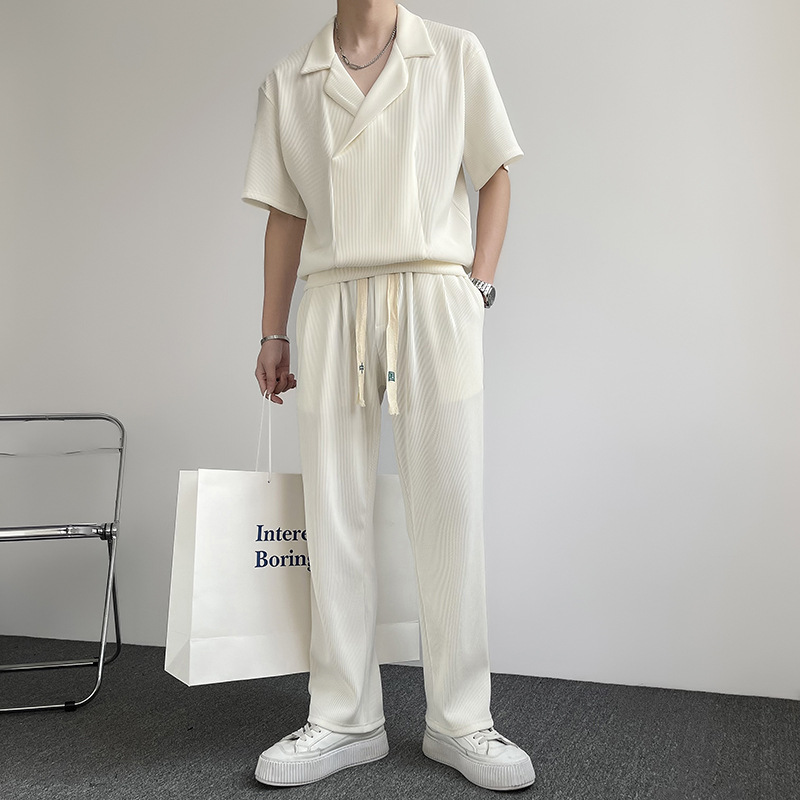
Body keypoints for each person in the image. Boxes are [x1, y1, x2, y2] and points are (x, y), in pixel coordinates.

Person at [241, 0, 533, 791]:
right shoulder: (289, 82)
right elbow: (285, 215)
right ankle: (344, 717)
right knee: (333, 509)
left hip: (434, 295)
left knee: (450, 506)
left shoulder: (455, 53)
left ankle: (462, 719)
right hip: (333, 298)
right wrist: (272, 332)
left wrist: (477, 289)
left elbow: (494, 173)